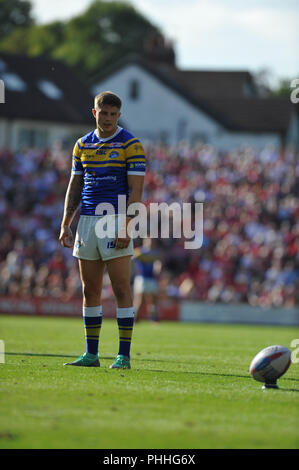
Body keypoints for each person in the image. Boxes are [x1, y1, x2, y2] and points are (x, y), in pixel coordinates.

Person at [59, 91, 146, 369]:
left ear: (118, 115)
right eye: (103, 112)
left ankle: (123, 355)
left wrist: (127, 224)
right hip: (87, 221)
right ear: (94, 112)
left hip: (115, 218)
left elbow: (136, 190)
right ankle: (91, 354)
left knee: (121, 287)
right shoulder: (82, 144)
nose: (107, 118)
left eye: (112, 114)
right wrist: (66, 223)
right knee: (90, 289)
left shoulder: (130, 144)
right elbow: (75, 185)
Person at [133, 237, 162, 322]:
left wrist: (158, 268)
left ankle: (154, 319)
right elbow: (133, 257)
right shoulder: (139, 251)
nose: (150, 243)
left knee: (153, 300)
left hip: (152, 278)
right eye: (149, 241)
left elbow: (158, 262)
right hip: (141, 278)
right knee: (139, 300)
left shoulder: (155, 252)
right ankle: (135, 319)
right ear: (145, 241)